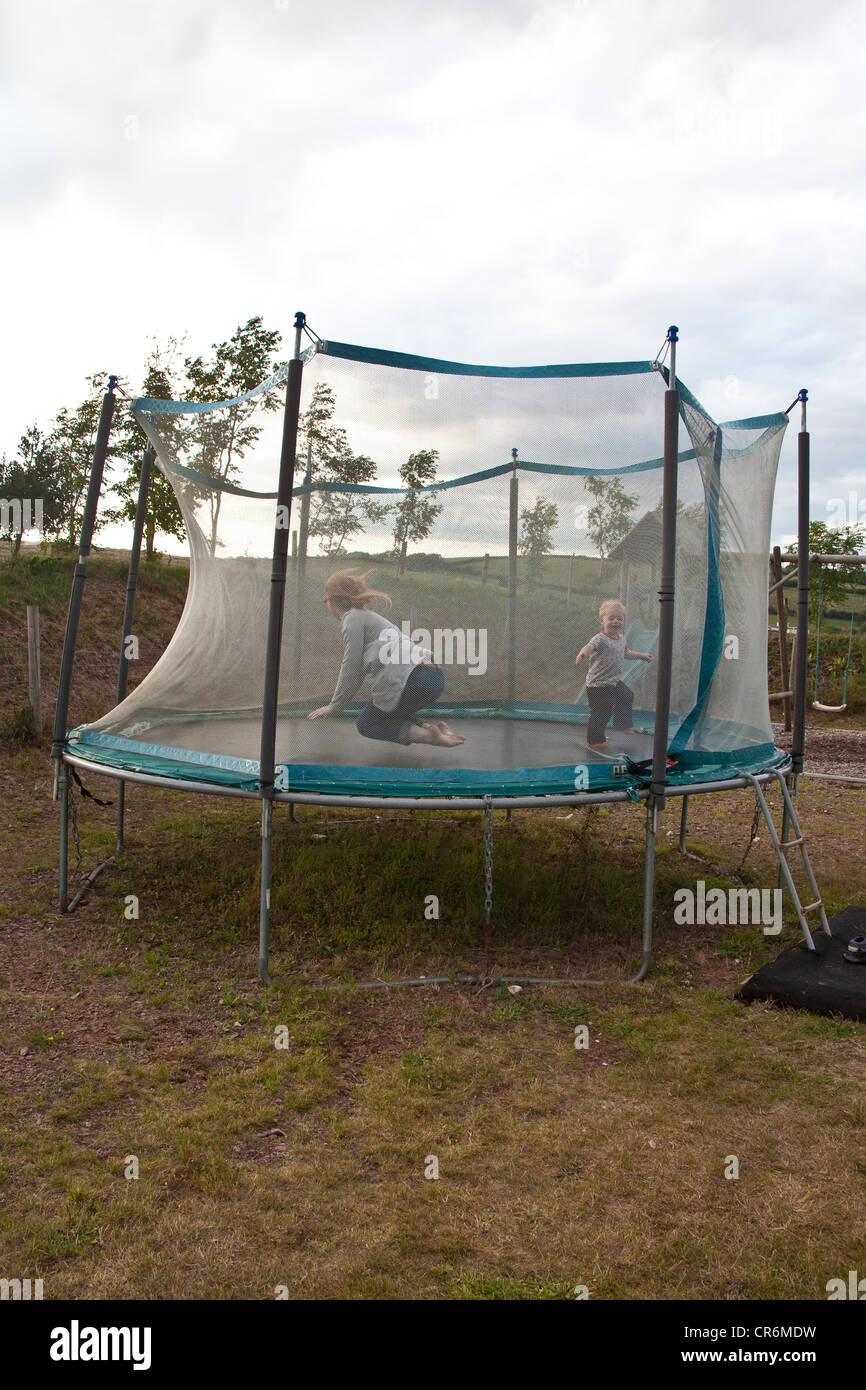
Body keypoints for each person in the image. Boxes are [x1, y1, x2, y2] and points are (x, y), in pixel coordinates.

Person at [307, 570, 465, 747]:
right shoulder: (370, 618)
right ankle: (431, 729)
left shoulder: (351, 617)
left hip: (414, 679)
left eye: (326, 600)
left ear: (332, 600)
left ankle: (429, 736)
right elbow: (357, 670)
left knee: (366, 724)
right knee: (389, 714)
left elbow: (351, 667)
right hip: (434, 678)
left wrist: (334, 706)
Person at [575, 598, 653, 749]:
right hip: (597, 684)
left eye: (619, 618)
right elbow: (589, 647)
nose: (615, 621)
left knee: (627, 695)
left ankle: (622, 724)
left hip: (613, 681)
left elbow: (626, 653)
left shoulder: (621, 639)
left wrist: (642, 656)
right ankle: (594, 740)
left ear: (623, 621)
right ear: (602, 620)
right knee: (601, 712)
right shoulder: (600, 638)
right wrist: (582, 655)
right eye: (611, 618)